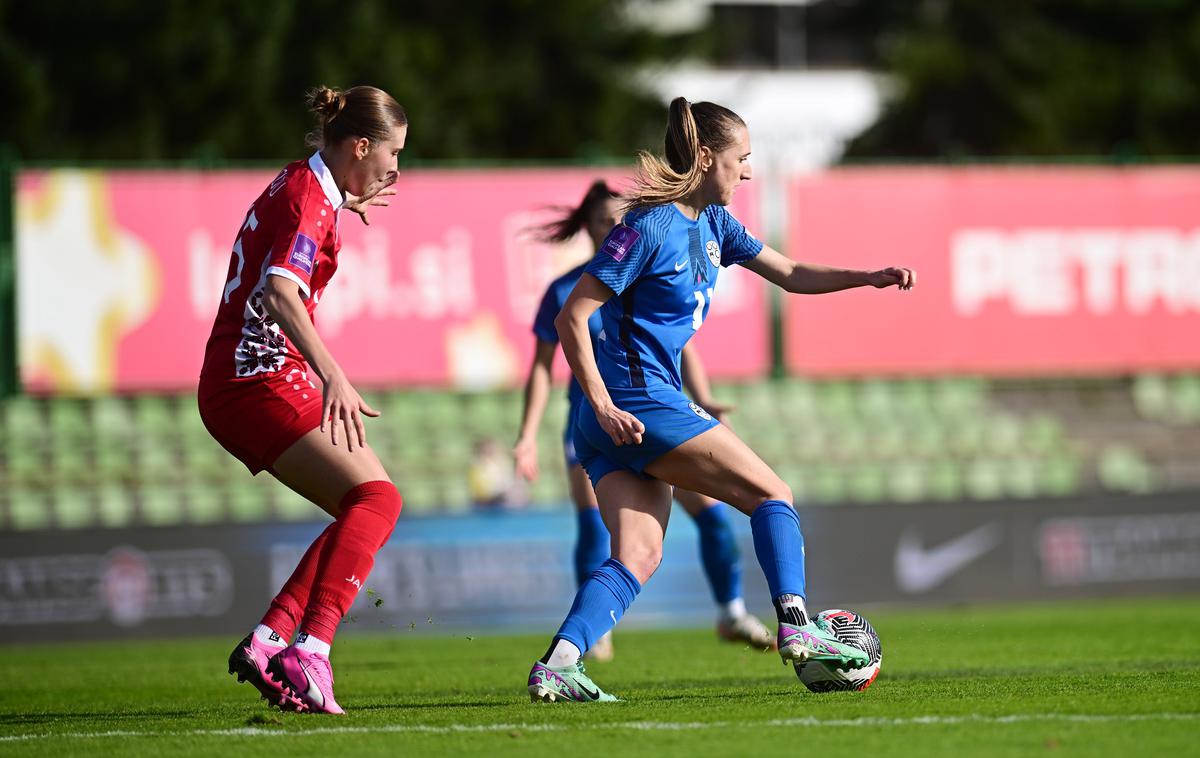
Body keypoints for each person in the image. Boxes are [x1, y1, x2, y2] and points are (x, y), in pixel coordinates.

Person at [526, 98, 916, 702]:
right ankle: (796, 624)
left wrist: (864, 277)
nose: (749, 172)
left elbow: (789, 272)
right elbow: (573, 314)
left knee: (638, 554)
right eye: (742, 159)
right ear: (708, 158)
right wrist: (603, 402)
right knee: (773, 494)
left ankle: (561, 662)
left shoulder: (714, 225)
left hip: (615, 420)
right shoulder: (650, 226)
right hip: (638, 404)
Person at [198, 85, 408, 715]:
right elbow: (282, 291)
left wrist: (345, 200)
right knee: (377, 499)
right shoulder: (308, 200)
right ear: (362, 146)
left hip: (247, 377)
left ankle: (269, 642)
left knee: (363, 507)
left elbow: (294, 238)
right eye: (393, 153)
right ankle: (310, 648)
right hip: (252, 379)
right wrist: (335, 375)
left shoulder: (305, 185)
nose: (397, 168)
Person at [514, 180, 774, 663]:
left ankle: (732, 610)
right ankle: (591, 636)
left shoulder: (642, 269)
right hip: (594, 421)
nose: (613, 227)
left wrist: (704, 400)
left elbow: (680, 344)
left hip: (659, 414)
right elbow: (541, 369)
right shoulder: (567, 290)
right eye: (602, 222)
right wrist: (527, 437)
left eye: (618, 219)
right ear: (587, 229)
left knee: (710, 511)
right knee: (597, 525)